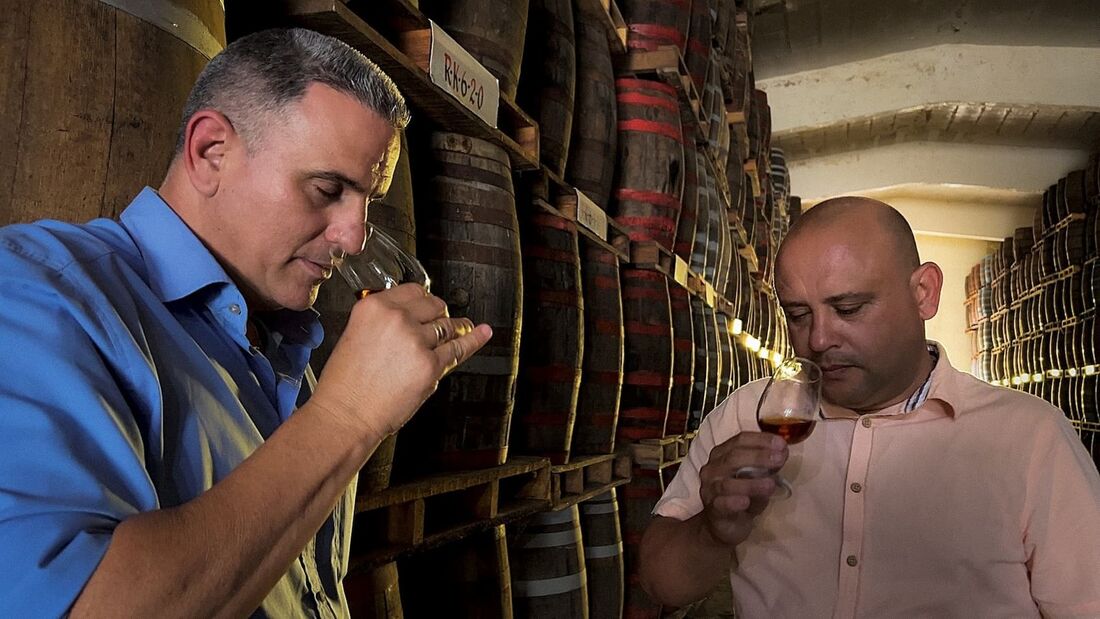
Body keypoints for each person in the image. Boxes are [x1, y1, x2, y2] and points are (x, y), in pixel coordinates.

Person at [0, 28, 492, 616]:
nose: (355, 237)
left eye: (369, 203)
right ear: (211, 151)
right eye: (328, 189)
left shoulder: (280, 346)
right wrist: (348, 417)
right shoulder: (40, 294)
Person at [640, 197, 1100, 617]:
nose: (818, 340)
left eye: (849, 308)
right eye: (798, 315)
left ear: (924, 293)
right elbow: (662, 584)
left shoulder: (1030, 436)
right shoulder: (747, 414)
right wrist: (712, 531)